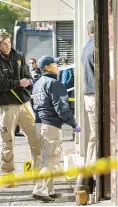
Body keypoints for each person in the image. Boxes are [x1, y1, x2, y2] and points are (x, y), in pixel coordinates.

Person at [0, 29, 42, 187]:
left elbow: (28, 75)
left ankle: (38, 174)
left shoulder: (19, 56)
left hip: (24, 103)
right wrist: (18, 83)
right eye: (4, 44)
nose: (8, 46)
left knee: (35, 138)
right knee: (7, 142)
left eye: (9, 43)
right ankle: (8, 176)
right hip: (6, 105)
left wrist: (28, 82)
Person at [31, 55, 81, 202]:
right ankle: (40, 190)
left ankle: (50, 189)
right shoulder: (54, 83)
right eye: (55, 64)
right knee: (51, 159)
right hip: (51, 125)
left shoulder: (38, 83)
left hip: (39, 124)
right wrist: (73, 124)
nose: (57, 66)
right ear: (47, 67)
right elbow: (62, 108)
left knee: (47, 158)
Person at [75, 20, 96, 194]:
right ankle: (87, 176)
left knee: (94, 137)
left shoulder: (86, 48)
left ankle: (87, 174)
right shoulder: (98, 48)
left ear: (88, 33)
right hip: (96, 97)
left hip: (89, 96)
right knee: (96, 137)